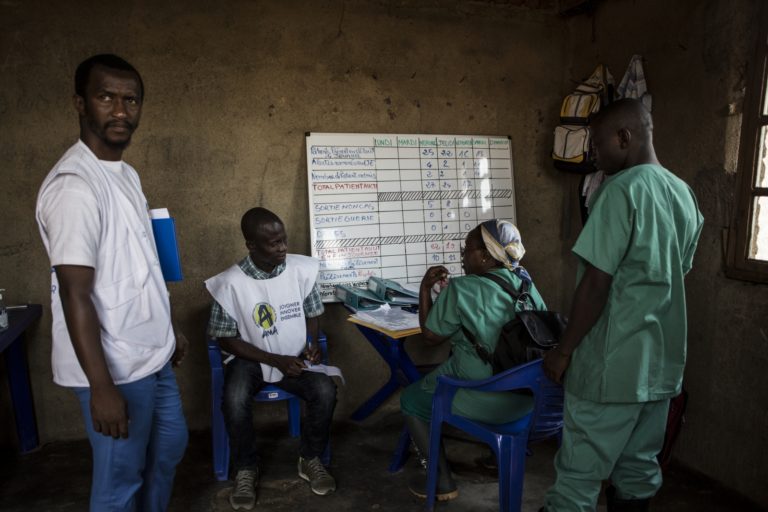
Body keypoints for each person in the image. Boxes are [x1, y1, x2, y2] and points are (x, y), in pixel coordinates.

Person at [35, 54, 188, 511]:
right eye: (106, 97)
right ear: (81, 104)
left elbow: (138, 265)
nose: (121, 111)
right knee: (120, 482)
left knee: (168, 450)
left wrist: (166, 329)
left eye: (131, 100)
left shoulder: (125, 174)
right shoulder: (75, 187)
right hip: (115, 367)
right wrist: (101, 388)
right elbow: (75, 294)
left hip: (150, 352)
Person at [541, 98, 704, 512]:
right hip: (660, 366)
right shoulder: (683, 194)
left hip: (610, 366)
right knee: (637, 470)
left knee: (578, 476)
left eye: (597, 144)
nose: (592, 155)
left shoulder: (620, 191)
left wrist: (563, 351)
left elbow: (597, 283)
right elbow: (675, 274)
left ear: (625, 137)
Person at [400, 219, 547, 501]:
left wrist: (425, 289)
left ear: (485, 256)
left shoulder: (461, 288)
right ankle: (496, 456)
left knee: (411, 400)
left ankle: (442, 481)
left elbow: (430, 336)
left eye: (466, 249)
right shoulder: (525, 282)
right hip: (530, 398)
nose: (463, 255)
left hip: (488, 400)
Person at [205, 207, 336, 511]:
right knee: (234, 398)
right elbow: (225, 339)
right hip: (250, 359)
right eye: (274, 243)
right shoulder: (230, 283)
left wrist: (310, 344)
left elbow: (312, 315)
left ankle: (310, 458)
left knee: (325, 390)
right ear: (251, 245)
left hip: (293, 356)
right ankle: (246, 469)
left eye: (284, 240)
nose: (283, 248)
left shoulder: (301, 270)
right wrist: (274, 360)